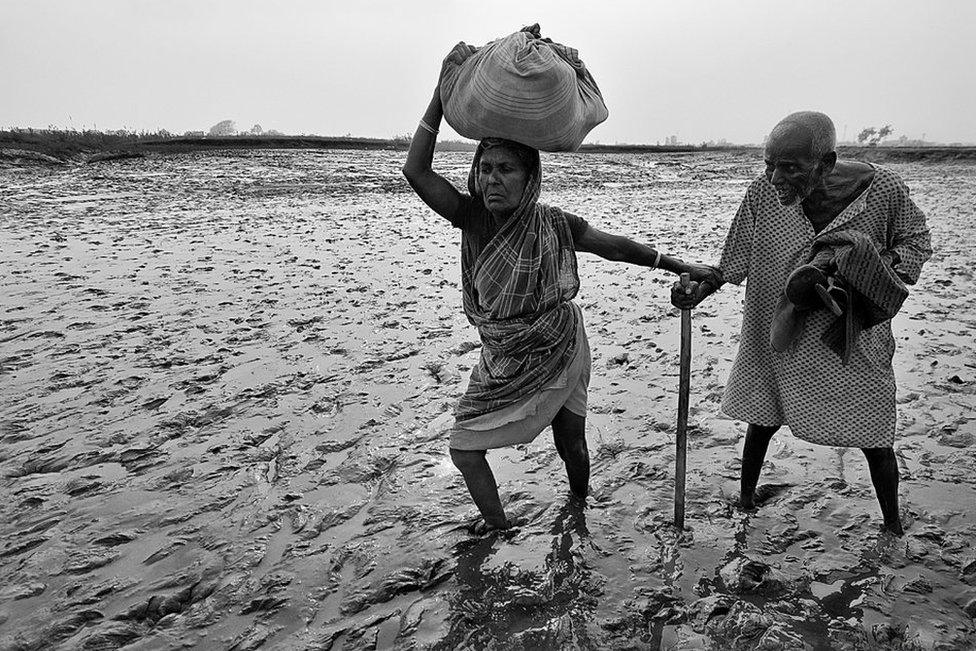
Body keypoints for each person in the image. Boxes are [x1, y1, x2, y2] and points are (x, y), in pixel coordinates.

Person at [403, 84, 720, 534]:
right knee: (464, 448)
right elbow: (416, 171)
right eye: (486, 168)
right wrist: (440, 94)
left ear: (529, 178)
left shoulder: (553, 223)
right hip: (504, 353)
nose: (493, 179)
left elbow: (614, 248)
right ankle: (498, 527)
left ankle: (579, 507)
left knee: (571, 441)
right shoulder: (470, 216)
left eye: (506, 169)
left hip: (562, 343)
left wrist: (677, 265)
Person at [672, 111, 932, 535]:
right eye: (770, 165)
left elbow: (916, 240)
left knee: (875, 427)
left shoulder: (882, 190)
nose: (776, 178)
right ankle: (745, 501)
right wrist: (699, 291)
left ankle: (893, 526)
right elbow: (732, 260)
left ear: (826, 163)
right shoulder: (762, 194)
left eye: (790, 168)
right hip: (775, 327)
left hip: (847, 330)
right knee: (764, 415)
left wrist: (871, 269)